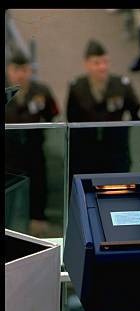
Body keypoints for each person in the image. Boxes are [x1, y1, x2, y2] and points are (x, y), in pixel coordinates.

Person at [66, 40, 140, 178]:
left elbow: (138, 113)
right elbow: (71, 119)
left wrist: (122, 132)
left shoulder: (121, 85)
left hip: (116, 153)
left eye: (105, 62)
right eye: (97, 63)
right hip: (86, 155)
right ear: (87, 64)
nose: (102, 67)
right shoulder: (77, 88)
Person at [5, 52, 59, 237]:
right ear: (8, 70)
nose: (20, 75)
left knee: (38, 184)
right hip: (8, 153)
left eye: (24, 70)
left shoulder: (41, 91)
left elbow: (53, 113)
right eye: (16, 70)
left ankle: (37, 221)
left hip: (34, 150)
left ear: (30, 70)